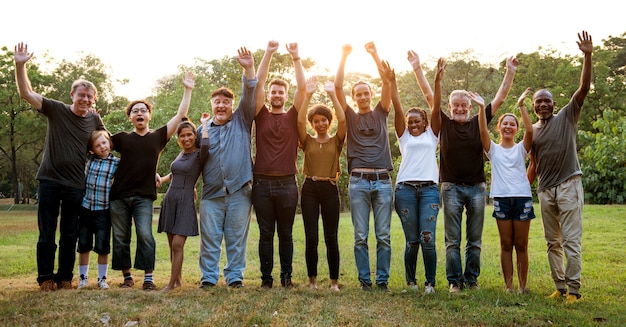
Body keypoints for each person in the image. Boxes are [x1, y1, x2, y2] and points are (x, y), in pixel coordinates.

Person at [408, 49, 519, 293]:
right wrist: (417, 67)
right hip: (450, 187)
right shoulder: (444, 123)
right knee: (452, 240)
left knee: (475, 240)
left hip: (477, 186)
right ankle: (454, 281)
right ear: (449, 106)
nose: (459, 109)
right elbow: (429, 94)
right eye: (455, 105)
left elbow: (499, 98)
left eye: (464, 105)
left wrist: (510, 71)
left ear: (470, 106)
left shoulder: (479, 121)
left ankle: (472, 279)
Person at [14, 42, 106, 291]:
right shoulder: (56, 109)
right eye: (81, 95)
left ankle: (65, 277)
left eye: (89, 96)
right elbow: (26, 94)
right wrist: (20, 65)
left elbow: (104, 144)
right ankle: (45, 278)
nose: (85, 99)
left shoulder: (95, 119)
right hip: (50, 181)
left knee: (69, 234)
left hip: (77, 184)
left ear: (93, 99)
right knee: (47, 234)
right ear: (72, 96)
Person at [110, 72, 196, 291]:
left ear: (149, 115)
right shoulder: (121, 138)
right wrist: (95, 119)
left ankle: (148, 277)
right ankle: (127, 277)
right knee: (120, 237)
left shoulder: (158, 137)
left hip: (144, 196)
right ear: (130, 117)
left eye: (143, 110)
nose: (139, 113)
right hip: (119, 195)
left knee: (145, 235)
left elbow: (181, 115)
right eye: (135, 111)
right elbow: (98, 144)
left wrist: (188, 89)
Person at [527, 31, 593, 304]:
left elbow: (584, 88)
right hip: (545, 191)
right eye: (538, 102)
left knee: (571, 241)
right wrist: (522, 188)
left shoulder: (567, 116)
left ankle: (574, 291)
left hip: (568, 184)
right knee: (552, 242)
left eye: (547, 100)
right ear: (533, 108)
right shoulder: (532, 131)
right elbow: (533, 164)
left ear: (554, 104)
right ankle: (560, 286)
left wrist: (588, 55)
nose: (543, 104)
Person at [335, 42, 393, 292]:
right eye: (357, 93)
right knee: (360, 236)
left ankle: (382, 281)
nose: (362, 96)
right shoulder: (349, 115)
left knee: (383, 236)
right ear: (353, 97)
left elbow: (387, 83)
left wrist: (374, 54)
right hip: (358, 182)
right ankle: (364, 282)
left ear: (371, 94)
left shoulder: (381, 111)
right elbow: (337, 87)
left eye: (365, 92)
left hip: (382, 181)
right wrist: (344, 56)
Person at [198, 47, 257, 289]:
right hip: (211, 193)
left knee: (235, 239)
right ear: (211, 105)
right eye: (217, 102)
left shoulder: (242, 120)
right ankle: (209, 277)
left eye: (226, 102)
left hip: (239, 191)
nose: (221, 106)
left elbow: (250, 91)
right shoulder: (202, 129)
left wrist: (248, 68)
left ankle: (234, 276)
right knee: (210, 239)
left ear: (232, 105)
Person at [252, 41, 305, 289]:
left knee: (286, 234)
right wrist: (269, 53)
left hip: (287, 184)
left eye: (280, 92)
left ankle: (286, 278)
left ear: (285, 96)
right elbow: (258, 83)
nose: (275, 95)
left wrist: (295, 57)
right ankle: (266, 279)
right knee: (265, 234)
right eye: (273, 92)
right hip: (261, 184)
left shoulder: (293, 115)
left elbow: (303, 88)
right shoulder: (259, 113)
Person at [388, 58, 443, 295]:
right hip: (405, 191)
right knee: (412, 241)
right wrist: (392, 83)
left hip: (429, 189)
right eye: (410, 122)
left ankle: (430, 283)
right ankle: (411, 283)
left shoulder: (433, 136)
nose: (412, 124)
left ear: (425, 122)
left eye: (416, 121)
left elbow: (437, 106)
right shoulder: (404, 138)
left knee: (427, 238)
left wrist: (437, 81)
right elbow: (397, 108)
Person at [478, 87, 535, 293]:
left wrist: (521, 106)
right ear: (499, 128)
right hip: (502, 198)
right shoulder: (493, 149)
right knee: (505, 243)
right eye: (505, 123)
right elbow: (482, 131)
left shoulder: (522, 148)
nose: (508, 126)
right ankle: (509, 287)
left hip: (522, 198)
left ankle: (522, 286)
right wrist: (480, 108)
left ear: (516, 128)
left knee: (521, 244)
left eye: (512, 124)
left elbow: (530, 131)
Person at [297, 77, 346, 291]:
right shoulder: (307, 140)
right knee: (312, 236)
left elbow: (344, 121)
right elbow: (298, 121)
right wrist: (307, 95)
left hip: (329, 188)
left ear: (329, 121)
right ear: (312, 124)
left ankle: (334, 283)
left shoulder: (337, 140)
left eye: (324, 120)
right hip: (309, 188)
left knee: (331, 236)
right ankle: (313, 281)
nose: (320, 123)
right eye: (316, 121)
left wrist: (332, 95)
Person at [158, 114, 210, 292]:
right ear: (178, 138)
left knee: (177, 245)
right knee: (171, 244)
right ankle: (177, 280)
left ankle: (171, 284)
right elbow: (175, 173)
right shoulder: (181, 154)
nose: (186, 138)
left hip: (185, 201)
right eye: (182, 136)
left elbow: (207, 145)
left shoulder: (198, 155)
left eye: (190, 135)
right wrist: (161, 179)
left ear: (195, 135)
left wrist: (204, 125)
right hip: (170, 199)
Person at [77, 131, 120, 290]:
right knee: (84, 244)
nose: (102, 146)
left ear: (110, 143)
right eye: (97, 145)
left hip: (103, 210)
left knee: (102, 246)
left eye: (104, 143)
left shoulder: (116, 163)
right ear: (91, 150)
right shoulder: (88, 161)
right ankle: (83, 278)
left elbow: (133, 169)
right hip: (86, 208)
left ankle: (102, 279)